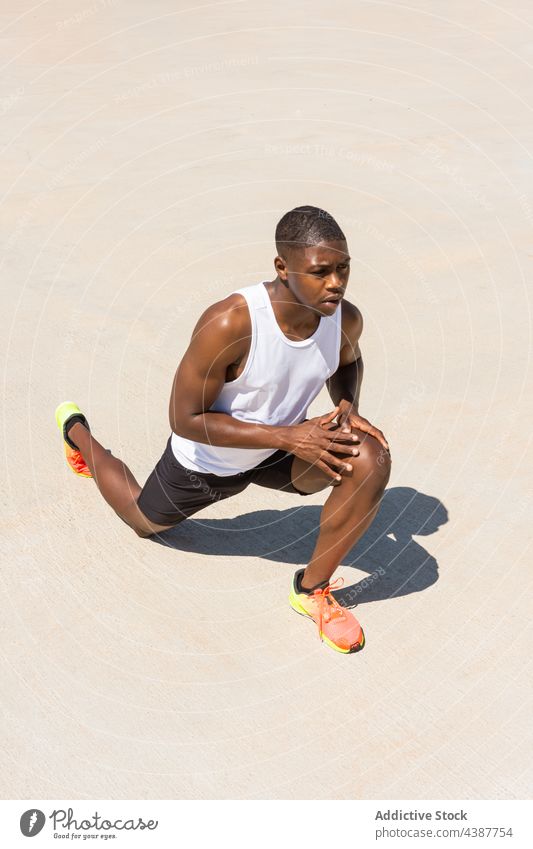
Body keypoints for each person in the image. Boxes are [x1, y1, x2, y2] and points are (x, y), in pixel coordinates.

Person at [55, 205, 391, 653]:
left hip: (284, 449)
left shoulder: (344, 318)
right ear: (282, 268)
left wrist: (346, 407)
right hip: (210, 459)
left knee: (369, 458)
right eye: (321, 272)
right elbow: (185, 420)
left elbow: (349, 360)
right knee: (143, 520)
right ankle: (78, 433)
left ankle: (311, 591)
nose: (336, 283)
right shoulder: (232, 323)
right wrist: (289, 436)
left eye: (344, 268)